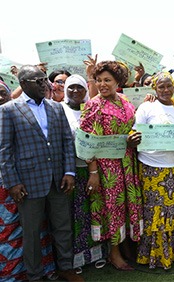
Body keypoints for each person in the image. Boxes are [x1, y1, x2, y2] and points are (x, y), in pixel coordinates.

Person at [0, 65, 83, 281]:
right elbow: (5, 150)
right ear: (24, 84)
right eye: (38, 81)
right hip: (28, 183)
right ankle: (35, 275)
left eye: (45, 79)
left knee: (62, 227)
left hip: (58, 180)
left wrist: (69, 172)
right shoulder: (9, 110)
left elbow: (66, 141)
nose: (45, 84)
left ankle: (66, 267)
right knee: (32, 233)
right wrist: (13, 183)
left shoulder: (56, 108)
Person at [79, 61, 143, 271]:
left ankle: (125, 247)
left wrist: (133, 139)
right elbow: (87, 142)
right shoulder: (93, 105)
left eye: (107, 80)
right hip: (107, 168)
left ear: (118, 82)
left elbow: (130, 128)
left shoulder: (124, 100)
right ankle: (114, 254)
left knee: (125, 207)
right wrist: (94, 172)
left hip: (127, 163)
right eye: (99, 80)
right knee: (111, 209)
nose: (102, 84)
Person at [134, 72, 174, 269]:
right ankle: (154, 256)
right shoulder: (146, 107)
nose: (166, 90)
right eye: (161, 87)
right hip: (150, 167)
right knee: (154, 211)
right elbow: (135, 132)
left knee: (172, 208)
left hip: (173, 168)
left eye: (169, 86)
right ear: (154, 89)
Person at [61, 74, 108, 272]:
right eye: (71, 87)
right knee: (75, 215)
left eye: (80, 88)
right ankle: (77, 258)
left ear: (86, 90)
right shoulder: (59, 110)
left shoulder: (91, 110)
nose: (75, 91)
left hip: (94, 170)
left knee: (94, 211)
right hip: (71, 172)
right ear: (65, 90)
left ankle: (96, 253)